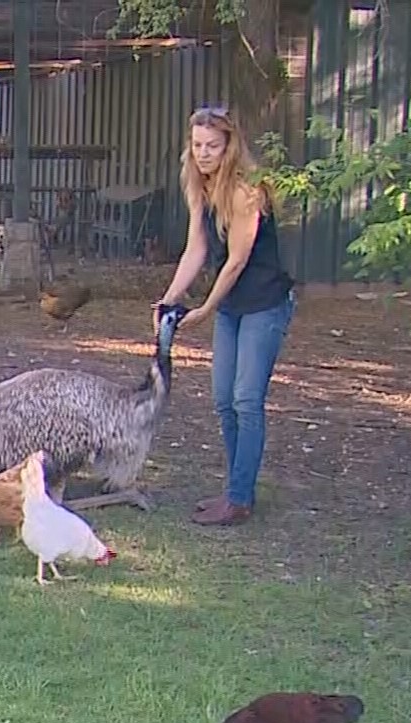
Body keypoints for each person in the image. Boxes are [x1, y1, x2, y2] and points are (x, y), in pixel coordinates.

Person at [156, 104, 298, 527]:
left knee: (246, 401)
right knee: (223, 401)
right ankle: (239, 490)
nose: (203, 153)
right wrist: (168, 300)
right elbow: (196, 249)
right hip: (234, 306)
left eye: (212, 146)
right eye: (197, 145)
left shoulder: (244, 191)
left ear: (229, 146)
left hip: (264, 302)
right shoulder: (199, 185)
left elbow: (235, 261)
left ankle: (238, 498)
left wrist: (204, 309)